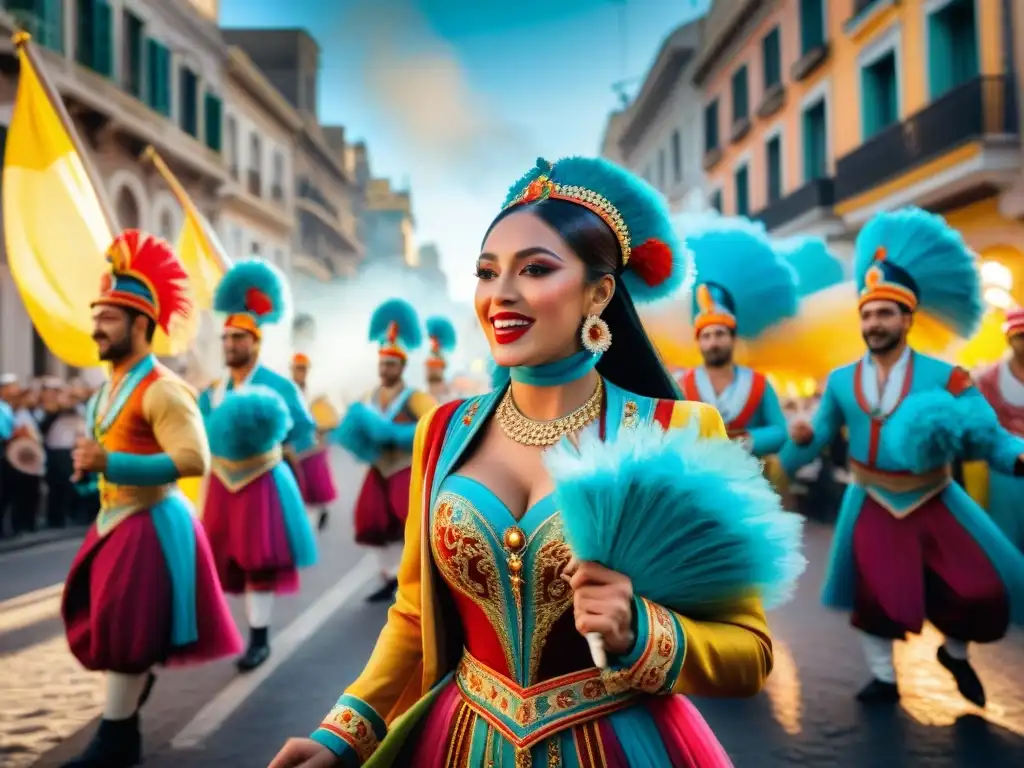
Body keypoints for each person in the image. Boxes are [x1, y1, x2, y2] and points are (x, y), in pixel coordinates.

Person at [269, 157, 779, 768]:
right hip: (461, 743)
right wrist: (341, 735)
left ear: (600, 292)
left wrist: (642, 631)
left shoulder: (677, 433)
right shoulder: (443, 431)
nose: (500, 294)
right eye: (487, 272)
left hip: (620, 745)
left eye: (535, 269)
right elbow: (412, 616)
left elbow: (750, 650)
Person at [781, 208, 1024, 707]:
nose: (874, 322)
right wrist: (801, 437)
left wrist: (1016, 457)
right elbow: (817, 433)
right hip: (870, 497)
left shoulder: (949, 375)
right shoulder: (841, 380)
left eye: (885, 313)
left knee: (978, 590)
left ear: (907, 318)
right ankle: (883, 677)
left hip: (935, 495)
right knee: (876, 597)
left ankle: (955, 654)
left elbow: (988, 433)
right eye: (867, 314)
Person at [60, 229, 242, 767]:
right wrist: (87, 472)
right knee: (111, 622)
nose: (96, 326)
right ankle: (125, 725)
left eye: (109, 317)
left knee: (123, 627)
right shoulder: (105, 390)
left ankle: (115, 740)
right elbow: (102, 458)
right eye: (96, 315)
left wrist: (108, 463)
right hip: (113, 519)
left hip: (151, 522)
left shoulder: (163, 388)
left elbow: (193, 461)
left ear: (142, 324)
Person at [199, 260, 319, 672]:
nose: (230, 343)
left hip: (262, 480)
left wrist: (282, 444)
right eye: (227, 337)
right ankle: (238, 632)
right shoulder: (212, 391)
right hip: (221, 484)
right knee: (227, 566)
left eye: (239, 337)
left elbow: (305, 428)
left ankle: (259, 639)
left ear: (255, 341)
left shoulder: (278, 385)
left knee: (258, 564)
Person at [340, 299, 437, 604]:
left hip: (404, 470)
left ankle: (414, 582)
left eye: (391, 364)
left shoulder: (415, 396)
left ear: (402, 366)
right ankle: (389, 577)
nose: (385, 369)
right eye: (382, 363)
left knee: (410, 527)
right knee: (372, 524)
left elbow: (433, 423)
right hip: (379, 469)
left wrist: (396, 434)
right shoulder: (370, 395)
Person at [673, 214, 793, 459]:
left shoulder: (759, 383)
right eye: (706, 336)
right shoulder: (681, 384)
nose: (713, 342)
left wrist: (745, 441)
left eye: (719, 334)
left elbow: (780, 432)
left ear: (733, 338)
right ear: (698, 342)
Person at [968, 307, 1024, 550]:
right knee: (1005, 537)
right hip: (1004, 469)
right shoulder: (987, 378)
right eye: (1022, 336)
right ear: (1009, 338)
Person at [291, 352, 340, 532]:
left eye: (303, 368)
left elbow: (329, 420)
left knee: (314, 489)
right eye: (298, 368)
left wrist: (323, 432)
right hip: (293, 450)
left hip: (312, 448)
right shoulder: (286, 392)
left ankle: (318, 513)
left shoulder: (315, 395)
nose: (300, 372)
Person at [425, 316, 458, 404]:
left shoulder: (441, 355)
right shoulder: (429, 354)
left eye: (435, 339)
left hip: (440, 390)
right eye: (432, 338)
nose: (433, 341)